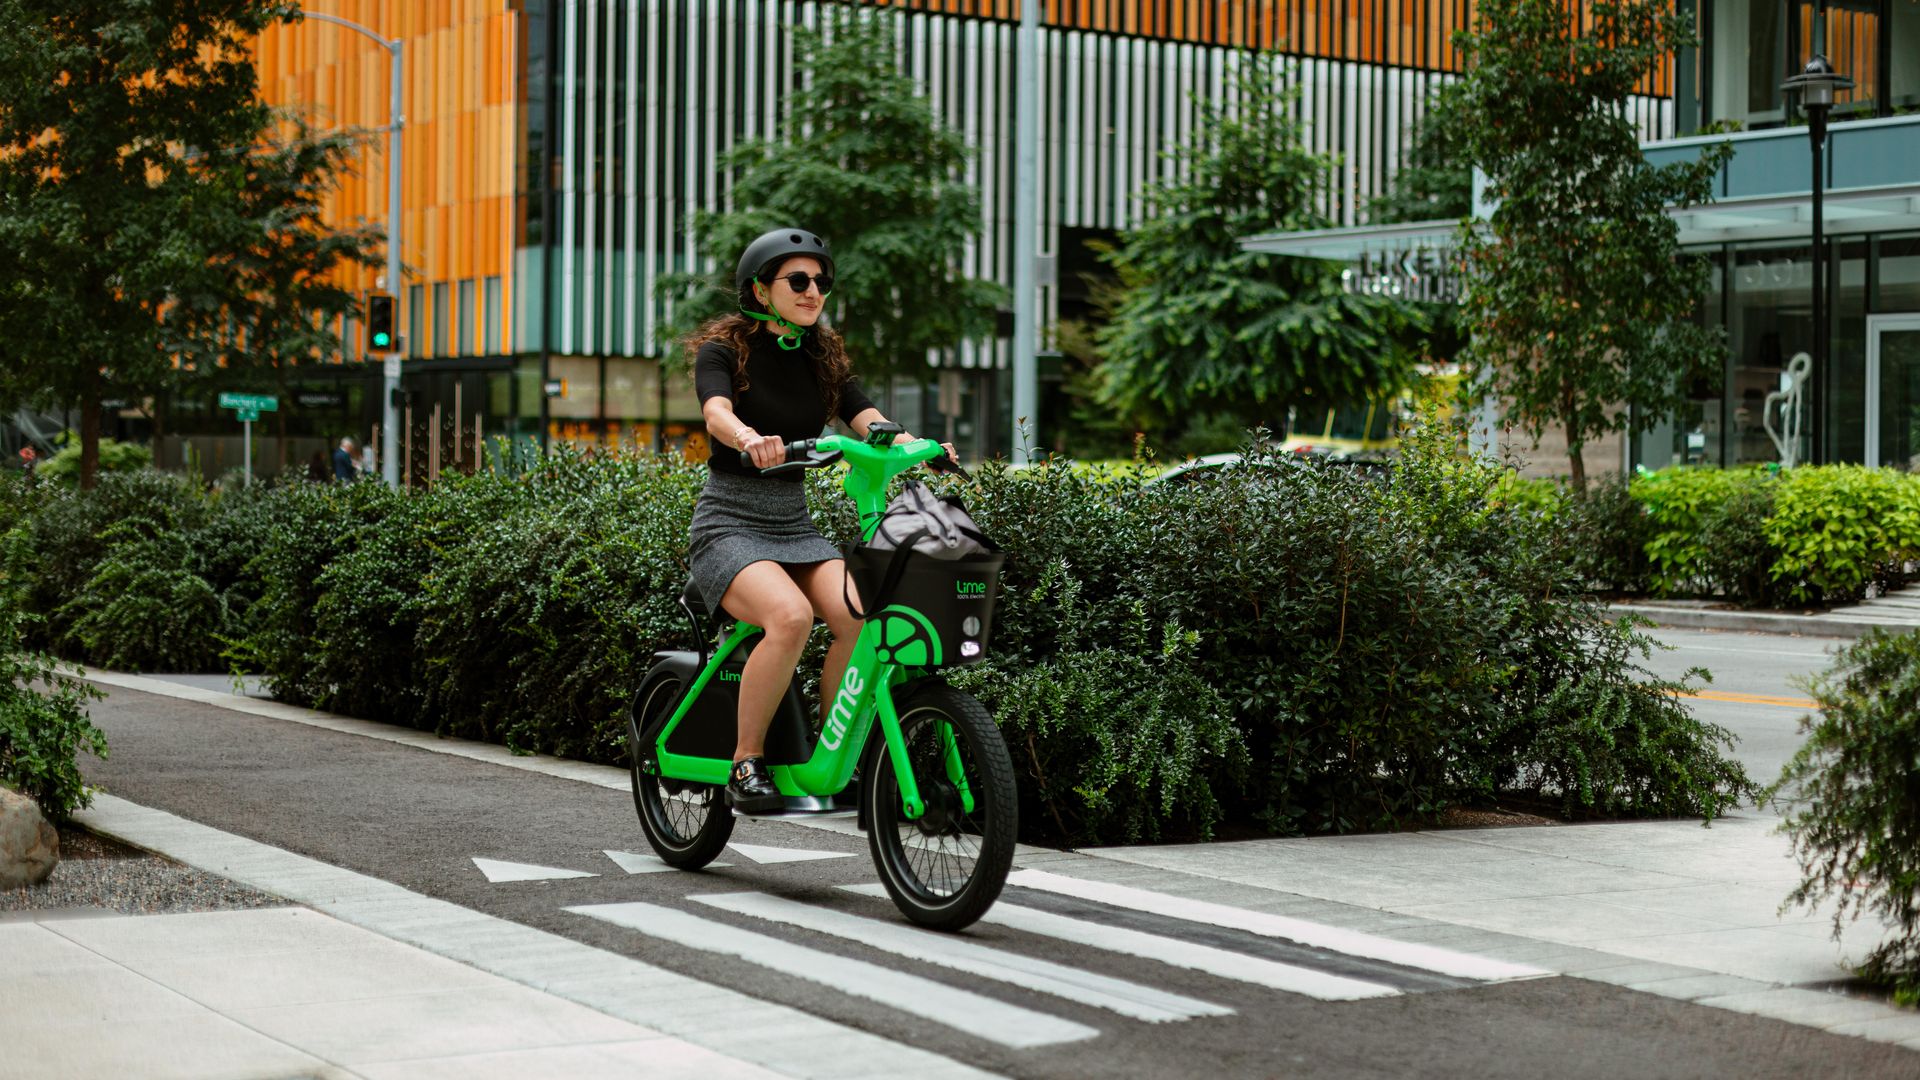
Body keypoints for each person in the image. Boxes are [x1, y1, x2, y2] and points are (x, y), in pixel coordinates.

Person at [688, 227, 955, 814]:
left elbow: (866, 417)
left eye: (822, 282)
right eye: (799, 281)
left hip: (793, 526)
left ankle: (836, 756)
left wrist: (921, 446)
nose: (814, 292)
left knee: (862, 619)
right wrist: (749, 438)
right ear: (761, 291)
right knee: (789, 617)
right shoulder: (725, 352)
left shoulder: (821, 354)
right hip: (730, 523)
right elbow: (715, 411)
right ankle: (746, 761)